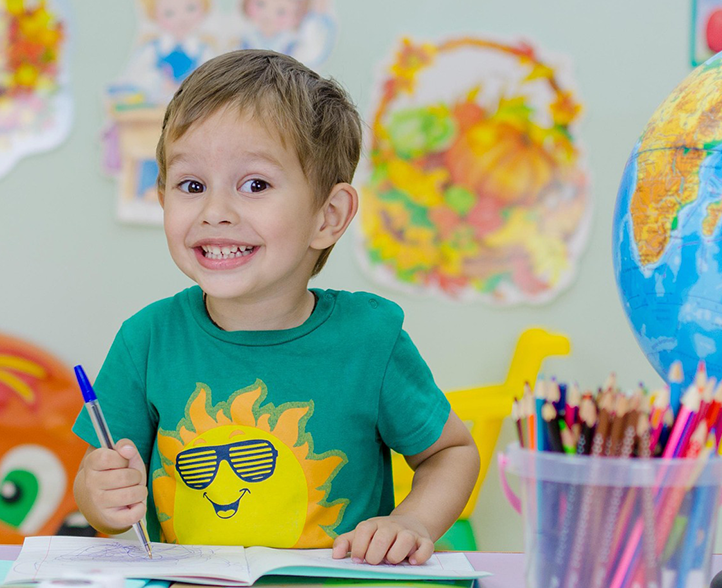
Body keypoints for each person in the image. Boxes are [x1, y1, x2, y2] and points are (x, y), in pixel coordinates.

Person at [74, 50, 479, 565]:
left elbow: (450, 452)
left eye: (256, 185)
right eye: (192, 185)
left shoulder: (370, 341)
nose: (215, 212)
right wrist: (103, 499)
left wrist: (412, 520)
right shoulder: (147, 340)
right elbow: (97, 484)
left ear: (328, 216)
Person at [238, 0, 335, 67]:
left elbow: (313, 55)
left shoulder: (290, 44)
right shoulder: (246, 38)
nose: (268, 15)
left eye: (281, 12)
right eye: (260, 4)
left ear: (297, 18)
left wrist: (319, 12)